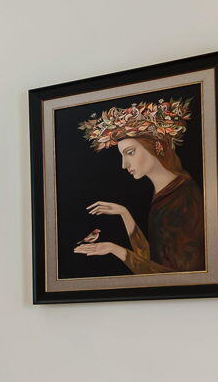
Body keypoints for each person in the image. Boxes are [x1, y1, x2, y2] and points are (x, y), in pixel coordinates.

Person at [71, 96, 204, 274]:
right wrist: (124, 214)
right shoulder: (166, 192)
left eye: (130, 153)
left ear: (157, 146)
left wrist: (115, 249)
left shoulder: (183, 198)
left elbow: (174, 276)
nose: (124, 165)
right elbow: (152, 259)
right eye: (123, 155)